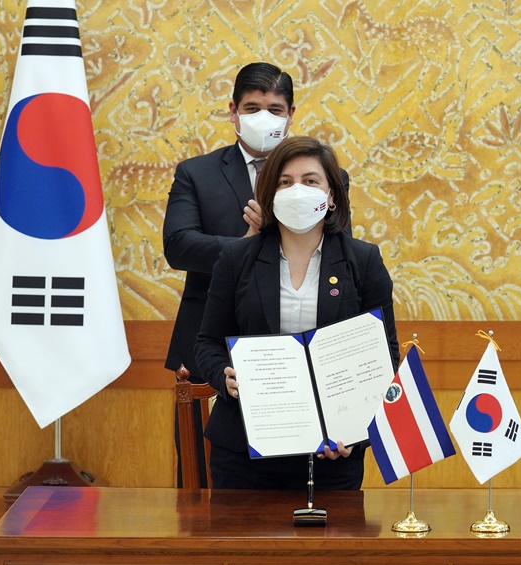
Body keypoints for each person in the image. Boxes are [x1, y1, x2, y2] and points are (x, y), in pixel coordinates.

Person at [163, 62, 348, 486]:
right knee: (198, 476)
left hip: (300, 344)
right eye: (253, 106)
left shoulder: (327, 177)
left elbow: (337, 249)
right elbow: (179, 245)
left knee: (293, 475)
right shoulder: (197, 172)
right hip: (209, 344)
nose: (264, 117)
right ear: (233, 110)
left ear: (291, 114)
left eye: (275, 108)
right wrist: (252, 244)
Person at [195, 136, 399, 490]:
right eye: (285, 182)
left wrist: (351, 430)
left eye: (310, 181)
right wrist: (223, 378)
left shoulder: (364, 261)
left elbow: (385, 354)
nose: (297, 191)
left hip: (333, 454)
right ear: (270, 195)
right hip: (244, 451)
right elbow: (207, 343)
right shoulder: (236, 259)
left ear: (331, 195)